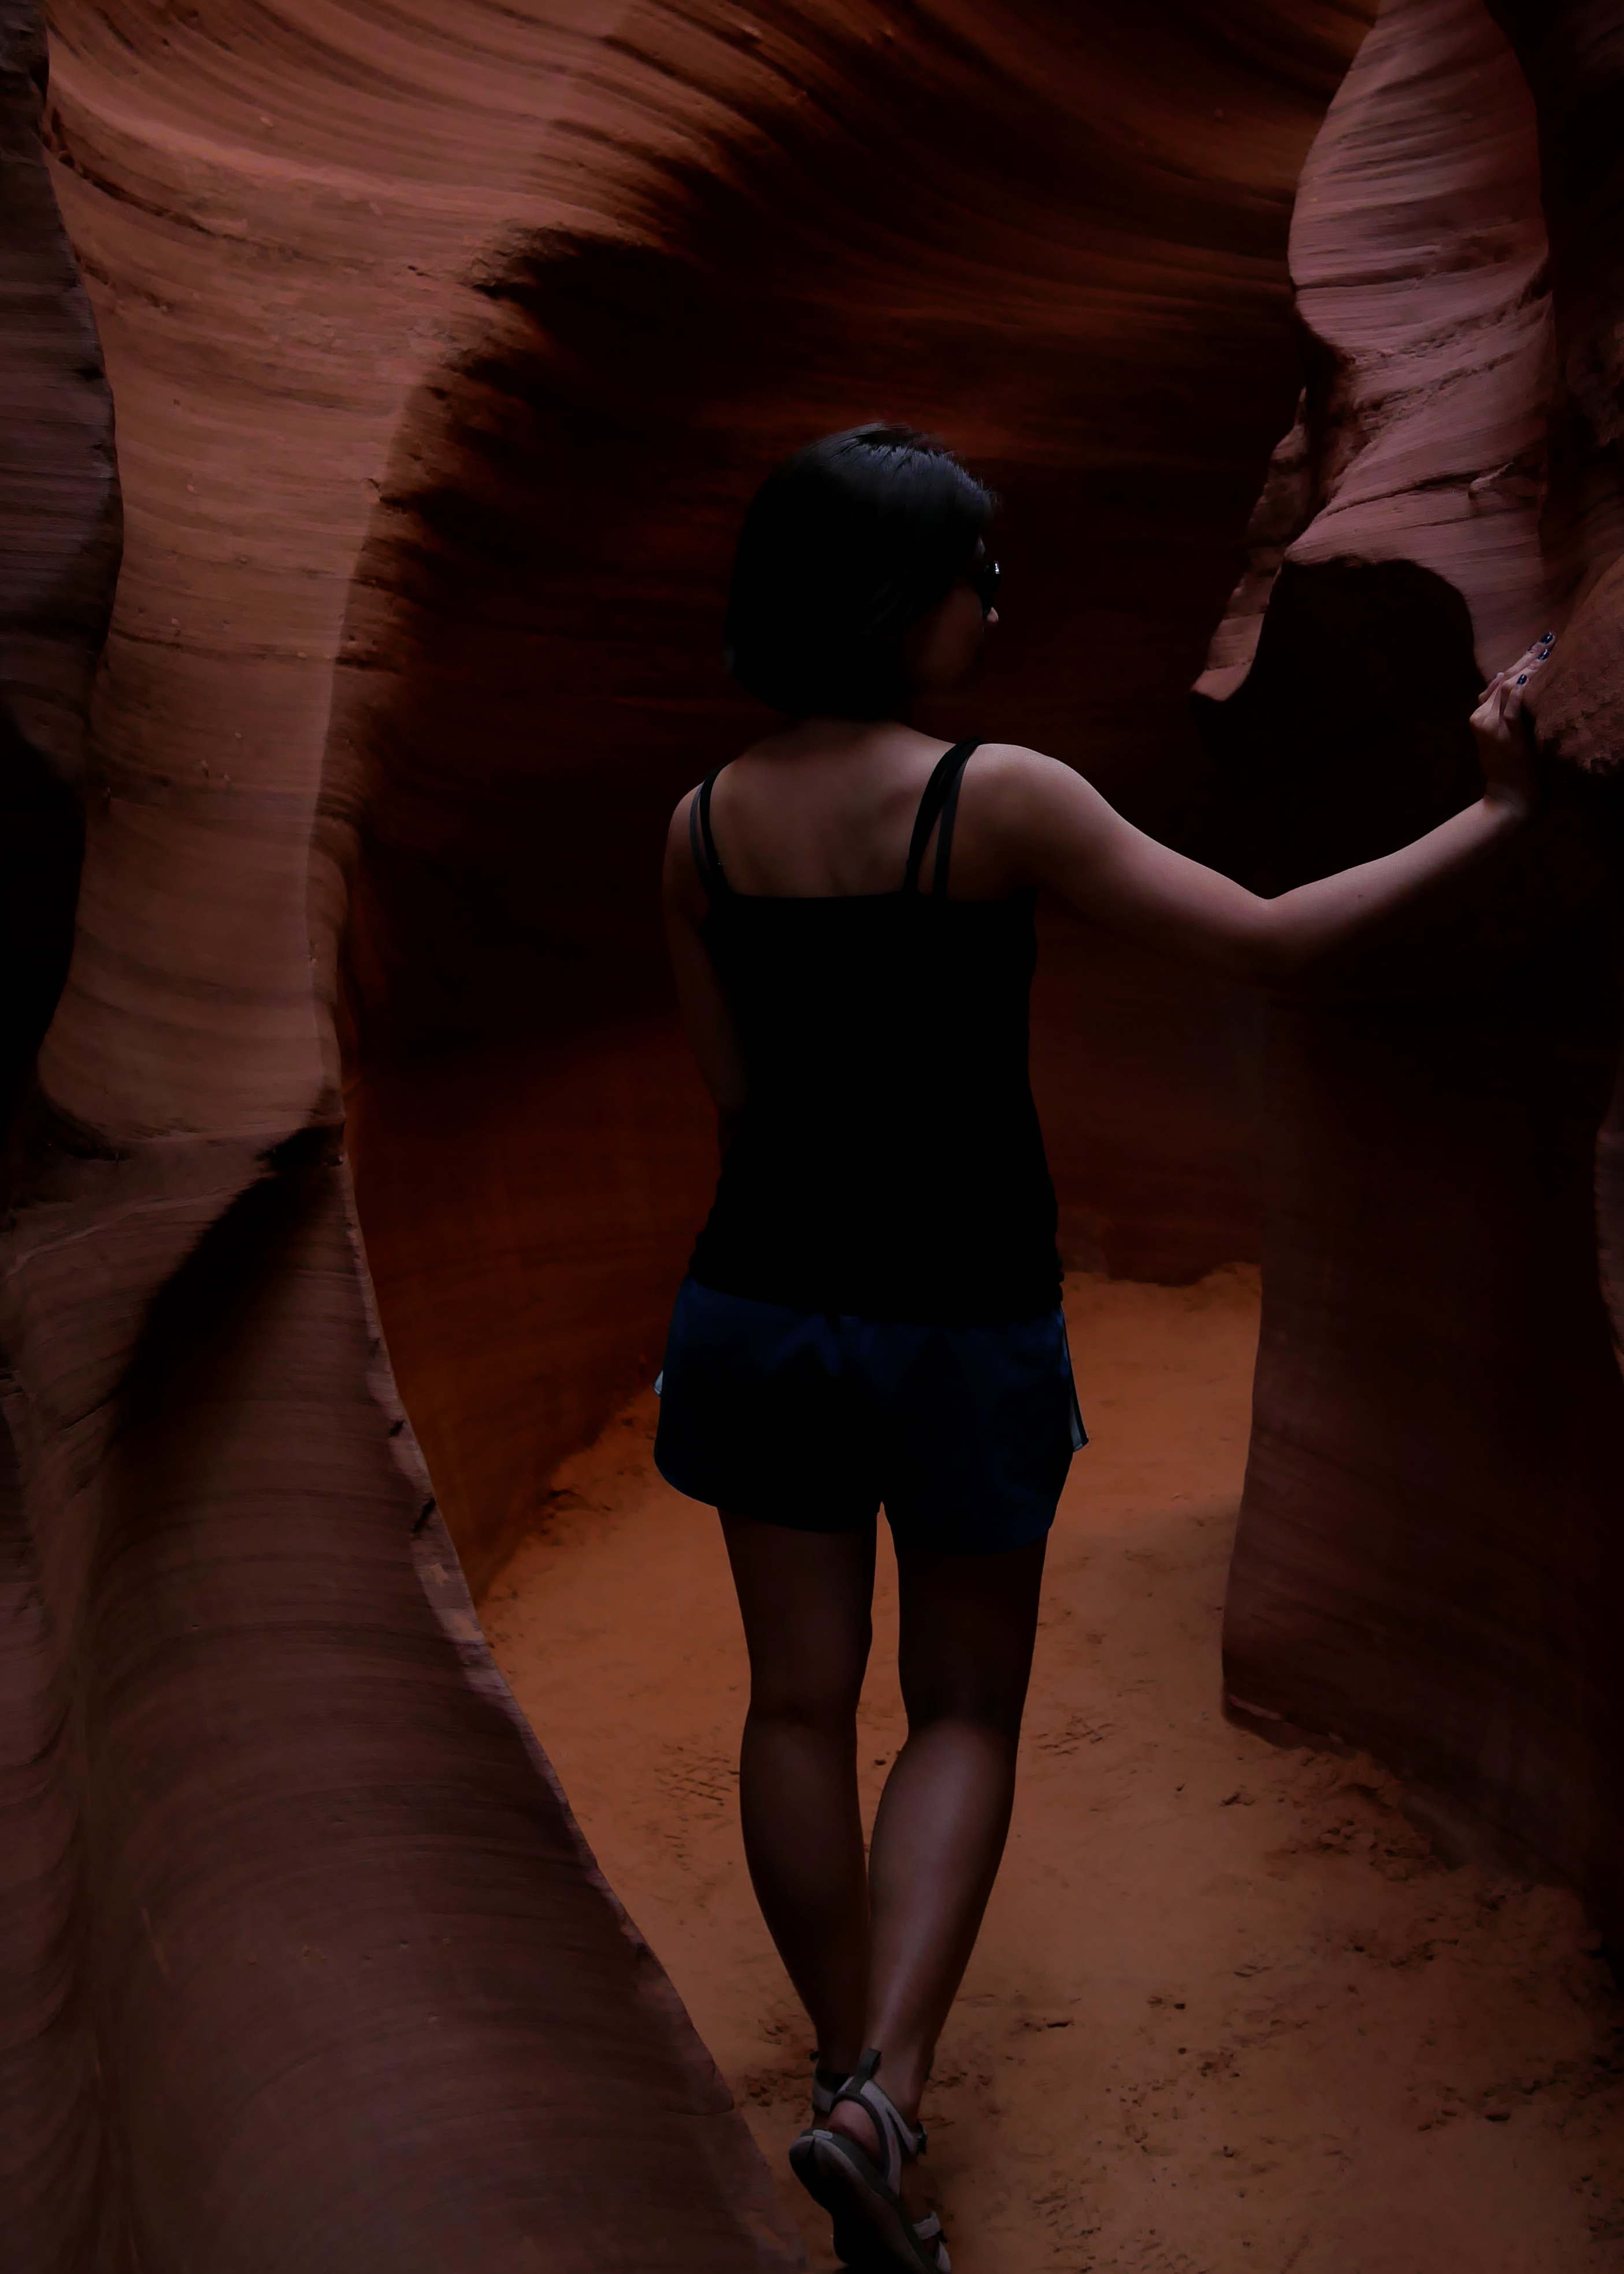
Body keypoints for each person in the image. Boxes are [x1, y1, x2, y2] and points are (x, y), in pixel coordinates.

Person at [653, 426, 1550, 2272]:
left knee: (794, 1705)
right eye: (981, 576)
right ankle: (883, 2096)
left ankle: (846, 2075)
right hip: (960, 1317)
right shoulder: (994, 798)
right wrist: (1507, 813)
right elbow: (1283, 949)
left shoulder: (701, 823)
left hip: (758, 1307)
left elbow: (737, 1101)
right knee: (961, 1703)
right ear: (901, 600)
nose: (996, 607)